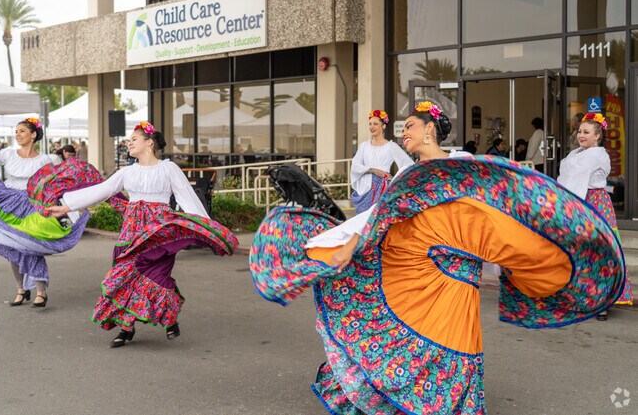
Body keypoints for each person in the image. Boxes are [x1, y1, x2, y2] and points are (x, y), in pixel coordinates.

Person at [249, 101, 625, 414]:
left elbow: (498, 212)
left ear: (430, 129)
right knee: (407, 341)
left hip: (458, 279)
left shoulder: (463, 166)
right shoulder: (408, 176)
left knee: (453, 340)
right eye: (402, 128)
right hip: (419, 273)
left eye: (410, 126)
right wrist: (339, 245)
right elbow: (375, 217)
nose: (404, 133)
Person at [48, 122, 238, 348]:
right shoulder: (127, 172)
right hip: (132, 232)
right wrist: (67, 206)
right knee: (124, 276)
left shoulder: (168, 169)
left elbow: (187, 197)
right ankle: (126, 328)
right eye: (129, 140)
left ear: (149, 143)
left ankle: (168, 317)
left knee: (158, 276)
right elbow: (102, 190)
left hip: (159, 232)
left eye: (133, 139)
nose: (129, 143)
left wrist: (206, 228)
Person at [0, 118, 84, 308]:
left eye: (22, 131)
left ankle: (41, 292)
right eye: (16, 131)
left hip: (34, 206)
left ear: (33, 135)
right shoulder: (6, 154)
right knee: (13, 245)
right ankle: (21, 290)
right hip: (10, 205)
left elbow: (59, 181)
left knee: (31, 246)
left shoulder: (46, 159)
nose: (17, 134)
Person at [557, 112, 633, 319]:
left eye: (586, 132)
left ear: (597, 136)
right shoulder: (577, 154)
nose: (581, 135)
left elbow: (573, 175)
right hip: (580, 201)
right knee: (581, 251)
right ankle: (583, 298)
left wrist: (565, 201)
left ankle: (602, 302)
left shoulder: (597, 154)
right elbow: (567, 173)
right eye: (580, 131)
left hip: (595, 203)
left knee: (600, 252)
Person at [350, 109, 413, 214]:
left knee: (378, 218)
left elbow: (408, 164)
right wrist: (373, 170)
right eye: (370, 124)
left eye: (375, 124)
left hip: (382, 188)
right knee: (361, 222)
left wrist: (394, 178)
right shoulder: (364, 146)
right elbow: (355, 165)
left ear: (383, 126)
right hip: (365, 188)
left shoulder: (391, 146)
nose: (371, 127)